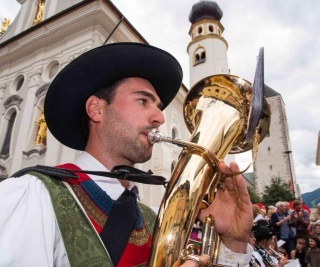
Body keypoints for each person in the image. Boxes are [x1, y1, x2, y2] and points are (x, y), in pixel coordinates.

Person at [0, 43, 253, 267]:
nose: (159, 117)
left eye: (158, 106)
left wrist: (233, 244)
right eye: (143, 101)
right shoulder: (32, 196)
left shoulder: (155, 218)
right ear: (96, 109)